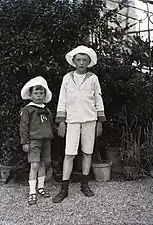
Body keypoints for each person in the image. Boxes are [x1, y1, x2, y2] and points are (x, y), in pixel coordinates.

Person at [52, 45, 106, 203]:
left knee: (88, 152)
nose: (81, 62)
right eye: (78, 60)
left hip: (90, 120)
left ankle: (85, 184)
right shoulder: (67, 78)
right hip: (72, 121)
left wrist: (100, 122)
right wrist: (61, 122)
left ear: (89, 62)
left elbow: (98, 99)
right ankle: (64, 188)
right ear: (74, 61)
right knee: (69, 153)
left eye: (84, 60)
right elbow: (62, 100)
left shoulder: (93, 78)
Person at [20, 76, 54, 205]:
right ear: (30, 94)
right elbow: (23, 126)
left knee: (44, 164)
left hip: (46, 141)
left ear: (45, 95)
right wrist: (25, 142)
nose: (39, 96)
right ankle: (32, 192)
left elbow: (49, 125)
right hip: (33, 141)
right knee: (34, 165)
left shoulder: (46, 110)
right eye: (36, 93)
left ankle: (40, 187)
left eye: (41, 93)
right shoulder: (28, 110)